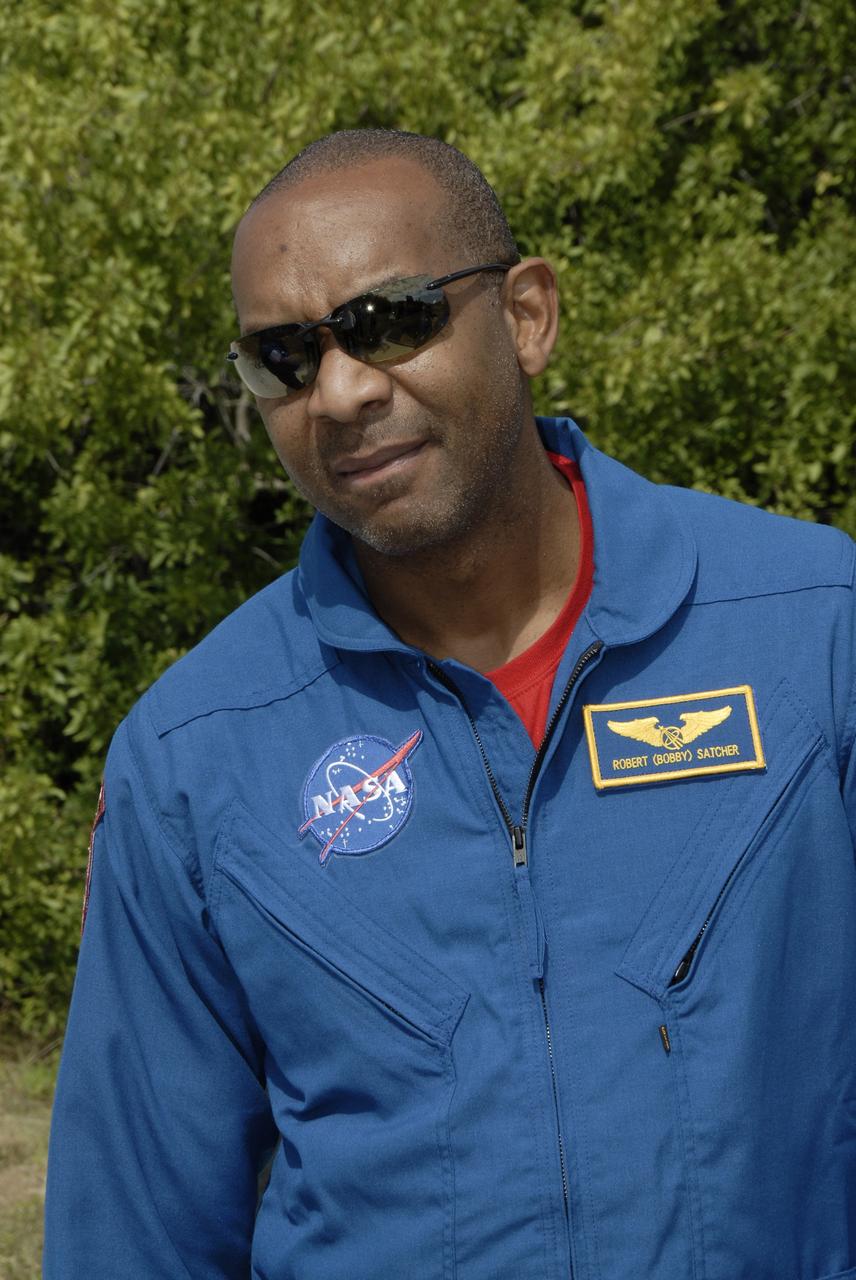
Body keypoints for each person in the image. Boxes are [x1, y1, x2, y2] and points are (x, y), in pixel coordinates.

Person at [44, 129, 856, 1280]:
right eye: (284, 355)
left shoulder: (812, 632)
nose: (340, 390)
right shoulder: (193, 758)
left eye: (389, 320)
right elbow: (134, 1234)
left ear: (526, 315)